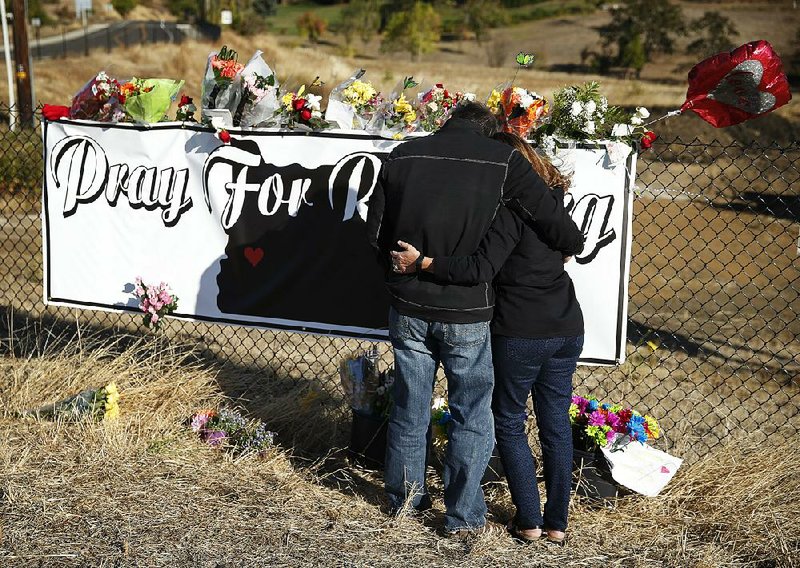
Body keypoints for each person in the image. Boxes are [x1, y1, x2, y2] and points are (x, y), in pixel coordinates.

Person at [366, 104, 584, 536]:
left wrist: (400, 276)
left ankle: (405, 502)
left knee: (411, 406)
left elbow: (375, 232)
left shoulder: (403, 155)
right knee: (472, 412)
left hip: (409, 304)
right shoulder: (502, 161)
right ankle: (463, 516)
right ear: (488, 132)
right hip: (467, 311)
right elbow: (565, 232)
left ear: (446, 124)